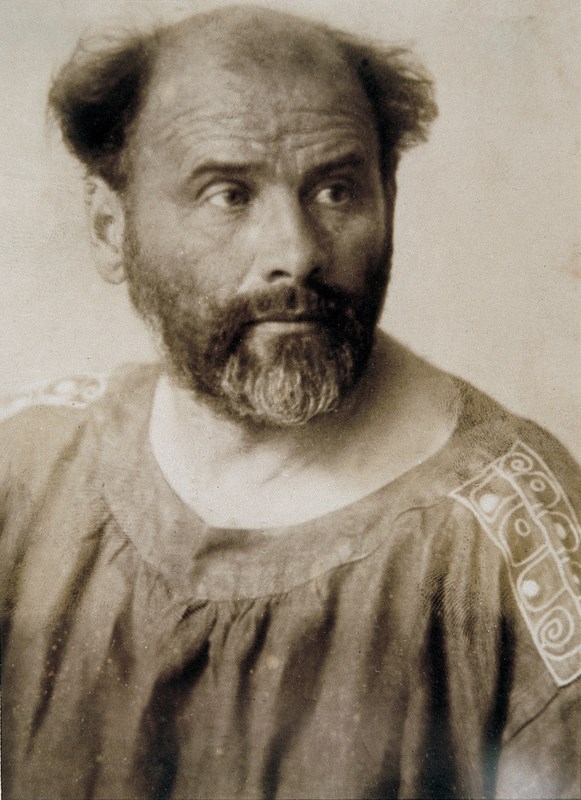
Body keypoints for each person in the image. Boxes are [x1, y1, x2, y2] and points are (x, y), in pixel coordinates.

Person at [0, 5, 579, 799]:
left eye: (336, 191)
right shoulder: (25, 472)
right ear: (109, 229)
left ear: (388, 201)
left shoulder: (511, 538)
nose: (297, 253)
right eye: (228, 195)